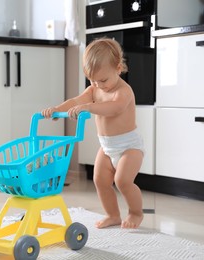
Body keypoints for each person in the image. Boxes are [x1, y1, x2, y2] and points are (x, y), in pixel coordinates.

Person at [41, 38, 144, 229]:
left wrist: (89, 107)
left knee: (122, 181)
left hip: (129, 147)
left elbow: (114, 108)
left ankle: (136, 212)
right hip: (107, 147)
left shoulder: (124, 91)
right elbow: (75, 100)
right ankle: (113, 215)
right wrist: (57, 110)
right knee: (100, 180)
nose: (98, 84)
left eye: (103, 80)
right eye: (92, 80)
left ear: (118, 68)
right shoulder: (95, 88)